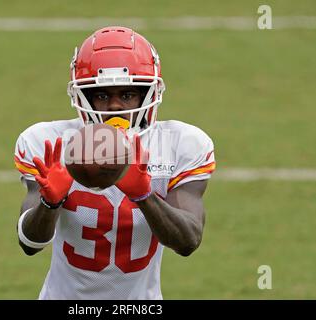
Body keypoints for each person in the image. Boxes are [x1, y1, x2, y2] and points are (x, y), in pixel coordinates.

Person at [13, 26, 216, 300]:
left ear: (148, 94)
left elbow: (188, 241)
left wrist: (144, 196)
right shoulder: (52, 143)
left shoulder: (180, 143)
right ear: (83, 97)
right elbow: (30, 243)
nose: (116, 107)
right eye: (103, 95)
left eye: (127, 94)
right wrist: (50, 203)